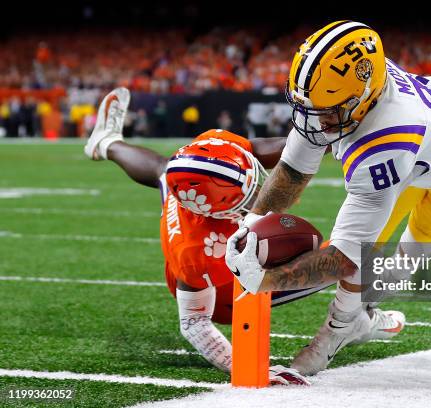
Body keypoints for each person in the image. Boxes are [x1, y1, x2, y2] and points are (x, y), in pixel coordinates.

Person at [225, 21, 431, 375]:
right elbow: (294, 171)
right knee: (371, 246)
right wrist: (251, 221)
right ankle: (352, 320)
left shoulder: (386, 142)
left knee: (407, 249)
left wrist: (268, 280)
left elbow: (344, 259)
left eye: (329, 111)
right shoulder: (342, 93)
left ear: (364, 97)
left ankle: (341, 329)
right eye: (308, 106)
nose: (316, 122)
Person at [84, 87, 316, 385]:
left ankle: (106, 143)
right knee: (333, 260)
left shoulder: (209, 148)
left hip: (203, 215)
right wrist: (246, 366)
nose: (260, 191)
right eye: (247, 196)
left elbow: (251, 149)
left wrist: (315, 143)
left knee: (162, 170)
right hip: (216, 292)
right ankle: (353, 320)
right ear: (216, 213)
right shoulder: (193, 252)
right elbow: (194, 324)